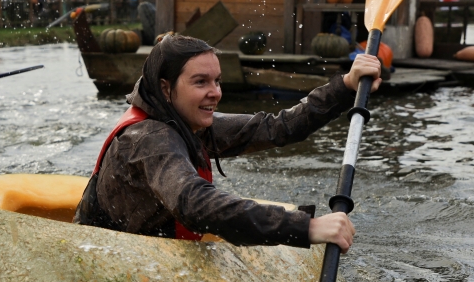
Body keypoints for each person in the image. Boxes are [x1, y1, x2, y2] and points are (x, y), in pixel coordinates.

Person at [74, 35, 381, 252]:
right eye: (200, 82)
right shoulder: (151, 140)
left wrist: (345, 85)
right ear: (166, 89)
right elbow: (195, 204)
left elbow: (278, 128)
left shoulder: (187, 120)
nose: (216, 92)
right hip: (104, 254)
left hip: (152, 243)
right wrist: (307, 228)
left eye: (217, 80)